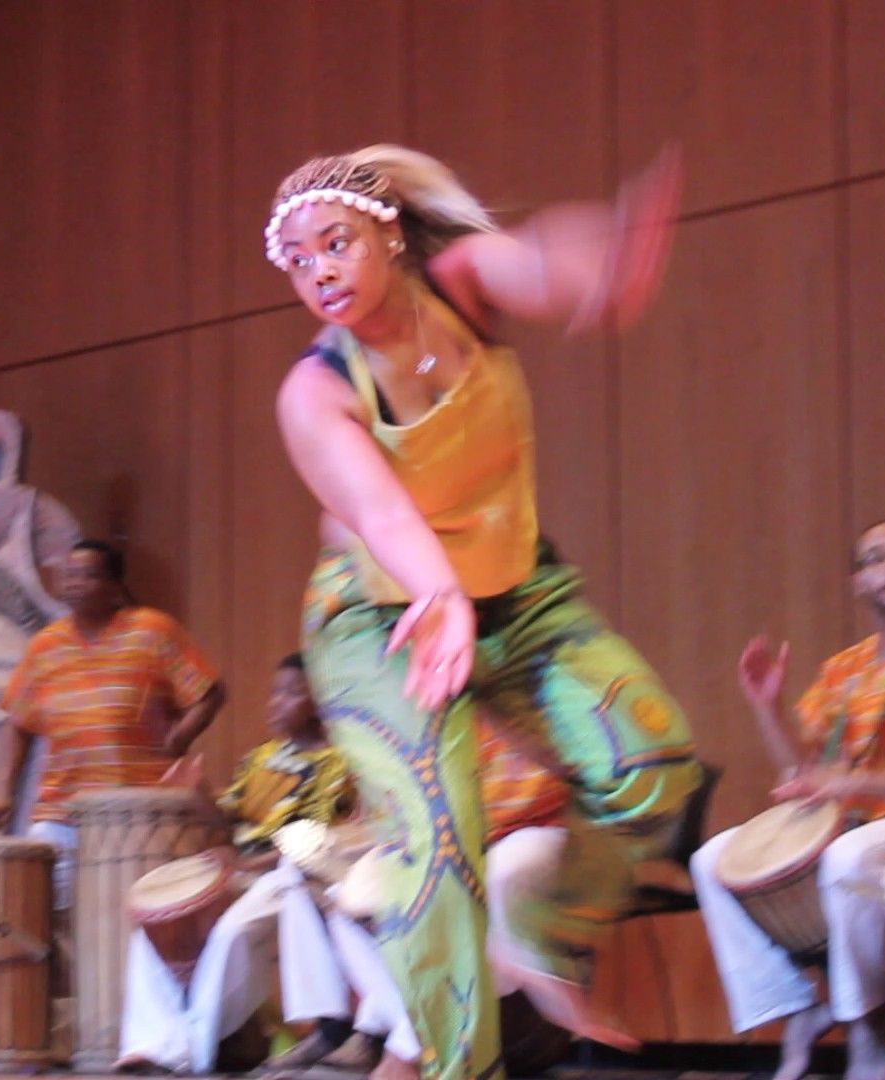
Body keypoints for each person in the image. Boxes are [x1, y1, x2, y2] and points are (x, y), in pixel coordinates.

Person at [268, 144, 703, 1078]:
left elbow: (541, 258)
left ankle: (542, 938)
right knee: (438, 835)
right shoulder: (316, 391)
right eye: (298, 260)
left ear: (388, 235)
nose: (320, 272)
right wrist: (434, 594)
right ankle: (458, 1064)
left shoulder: (462, 286)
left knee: (652, 760)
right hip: (378, 619)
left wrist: (602, 261)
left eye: (335, 243)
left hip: (512, 587)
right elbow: (380, 513)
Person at [692, 519, 885, 1080]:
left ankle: (868, 1028)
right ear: (857, 580)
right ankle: (799, 1006)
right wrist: (768, 707)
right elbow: (804, 768)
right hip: (851, 823)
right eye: (876, 558)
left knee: (848, 859)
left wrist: (854, 785)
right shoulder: (844, 670)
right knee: (710, 861)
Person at [268, 724, 571, 1077]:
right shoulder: (440, 718)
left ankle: (403, 1047)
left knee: (485, 888)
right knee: (345, 899)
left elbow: (541, 789)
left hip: (524, 830)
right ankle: (398, 1033)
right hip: (444, 840)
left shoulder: (528, 712)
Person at [115, 654, 355, 1074]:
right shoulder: (261, 759)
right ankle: (151, 1044)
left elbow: (312, 845)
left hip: (295, 876)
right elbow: (226, 819)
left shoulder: (338, 765)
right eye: (275, 692)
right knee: (157, 929)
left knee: (232, 932)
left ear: (321, 699)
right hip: (244, 874)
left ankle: (188, 1054)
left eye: (292, 692)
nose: (277, 702)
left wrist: (242, 866)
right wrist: (198, 791)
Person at [0, 539, 225, 907]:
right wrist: (3, 793)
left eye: (89, 575)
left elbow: (210, 692)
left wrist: (180, 736)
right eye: (70, 576)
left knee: (130, 920)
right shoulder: (44, 646)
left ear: (115, 587)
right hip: (61, 813)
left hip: (141, 813)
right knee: (50, 916)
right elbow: (18, 721)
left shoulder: (153, 630)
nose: (76, 584)